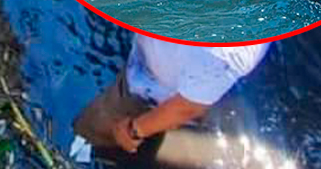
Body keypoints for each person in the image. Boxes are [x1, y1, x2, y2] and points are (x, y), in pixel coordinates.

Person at [74, 35, 269, 153]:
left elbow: (188, 107)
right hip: (184, 79)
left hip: (151, 92)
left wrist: (134, 131)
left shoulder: (226, 51)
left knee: (90, 128)